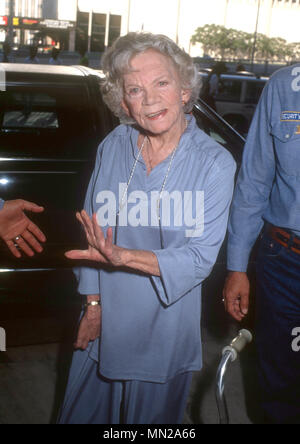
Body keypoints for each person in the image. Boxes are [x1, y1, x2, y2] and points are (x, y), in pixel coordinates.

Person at [57, 32, 236, 425]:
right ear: (123, 103)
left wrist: (123, 256)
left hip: (164, 332)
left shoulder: (215, 163)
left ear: (185, 90)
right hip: (104, 324)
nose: (151, 98)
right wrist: (92, 304)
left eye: (162, 82)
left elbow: (199, 259)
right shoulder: (114, 144)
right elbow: (92, 231)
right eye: (135, 89)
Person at [223, 64, 300, 424]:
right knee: (280, 387)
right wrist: (237, 266)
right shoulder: (284, 86)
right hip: (286, 263)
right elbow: (254, 181)